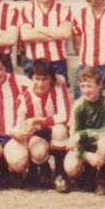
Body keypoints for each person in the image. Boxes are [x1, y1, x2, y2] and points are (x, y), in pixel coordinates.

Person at [13, 58, 73, 187]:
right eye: (37, 79)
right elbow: (18, 125)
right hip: (38, 134)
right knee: (38, 152)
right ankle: (42, 169)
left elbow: (64, 116)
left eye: (45, 79)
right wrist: (24, 131)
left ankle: (60, 172)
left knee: (60, 130)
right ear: (31, 78)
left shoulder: (58, 88)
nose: (40, 83)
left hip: (55, 132)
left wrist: (37, 120)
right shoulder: (24, 97)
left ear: (51, 79)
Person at [63, 66, 105, 195]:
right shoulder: (78, 105)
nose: (86, 91)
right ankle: (85, 176)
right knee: (70, 166)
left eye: (89, 86)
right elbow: (73, 141)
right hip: (85, 147)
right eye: (82, 87)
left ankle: (102, 177)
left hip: (101, 143)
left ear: (99, 85)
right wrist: (86, 155)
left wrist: (84, 134)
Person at [20, 0, 73, 87]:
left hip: (57, 62)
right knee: (32, 96)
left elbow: (65, 34)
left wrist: (38, 29)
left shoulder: (63, 9)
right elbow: (26, 35)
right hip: (33, 62)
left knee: (58, 96)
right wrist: (55, 33)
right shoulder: (28, 9)